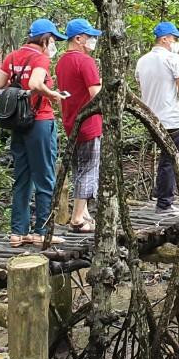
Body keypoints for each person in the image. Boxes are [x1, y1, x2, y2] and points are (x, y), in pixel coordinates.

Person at [0, 19, 66, 244]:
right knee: (45, 176)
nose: (53, 44)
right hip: (40, 122)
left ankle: (18, 232)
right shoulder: (40, 57)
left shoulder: (12, 56)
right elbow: (36, 83)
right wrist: (52, 94)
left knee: (22, 177)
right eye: (53, 39)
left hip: (18, 123)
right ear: (44, 39)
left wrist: (17, 94)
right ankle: (42, 232)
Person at [136, 21, 179, 214]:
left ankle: (161, 196)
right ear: (165, 39)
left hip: (150, 118)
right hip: (171, 118)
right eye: (175, 38)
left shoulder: (142, 61)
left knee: (163, 159)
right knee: (170, 161)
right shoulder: (173, 59)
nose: (176, 42)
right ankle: (164, 203)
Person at [56, 18, 104, 231]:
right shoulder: (85, 62)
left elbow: (60, 96)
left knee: (79, 168)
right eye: (90, 36)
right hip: (89, 123)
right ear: (78, 38)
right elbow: (96, 95)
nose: (93, 40)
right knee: (89, 169)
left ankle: (83, 213)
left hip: (71, 122)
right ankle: (77, 218)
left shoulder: (61, 62)